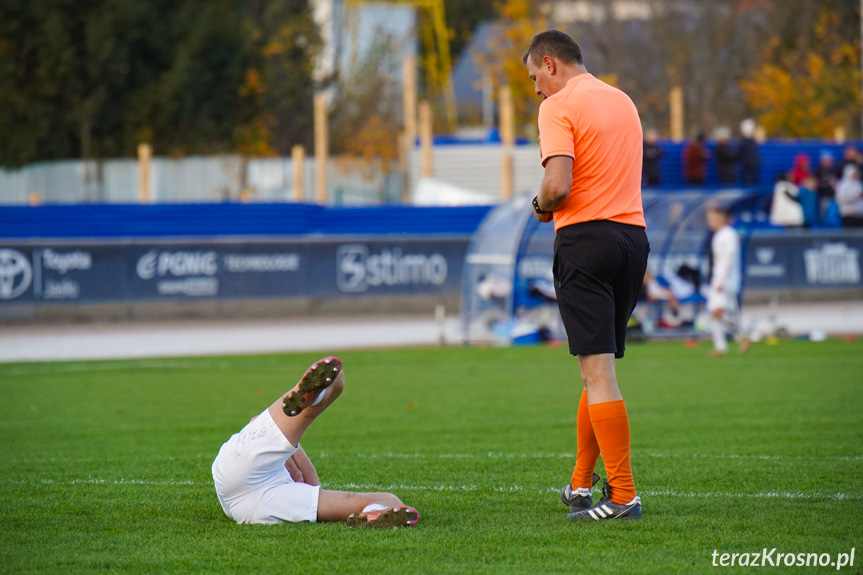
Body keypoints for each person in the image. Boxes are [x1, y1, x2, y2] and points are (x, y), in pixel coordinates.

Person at [523, 30, 649, 521]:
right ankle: (579, 484)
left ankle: (622, 496)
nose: (536, 89)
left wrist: (539, 206)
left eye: (535, 77)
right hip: (632, 240)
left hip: (586, 242)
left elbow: (557, 185)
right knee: (597, 371)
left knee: (597, 372)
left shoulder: (558, 106)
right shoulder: (622, 100)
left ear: (550, 64)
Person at [212, 356, 420, 528]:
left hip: (236, 474)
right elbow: (311, 484)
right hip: (255, 508)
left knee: (337, 379)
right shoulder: (297, 492)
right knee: (387, 500)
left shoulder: (296, 488)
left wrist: (293, 451)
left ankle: (314, 398)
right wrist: (293, 454)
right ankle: (370, 509)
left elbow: (255, 421)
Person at [705, 206, 748, 357]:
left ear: (723, 219)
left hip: (725, 281)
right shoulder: (718, 235)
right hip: (721, 279)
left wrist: (721, 280)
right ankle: (728, 342)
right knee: (719, 312)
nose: (710, 222)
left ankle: (738, 338)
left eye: (713, 219)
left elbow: (728, 258)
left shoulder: (728, 234)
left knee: (718, 312)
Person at [738, 119, 761, 185]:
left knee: (752, 184)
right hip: (750, 167)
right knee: (750, 185)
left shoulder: (748, 141)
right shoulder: (747, 142)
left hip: (751, 167)